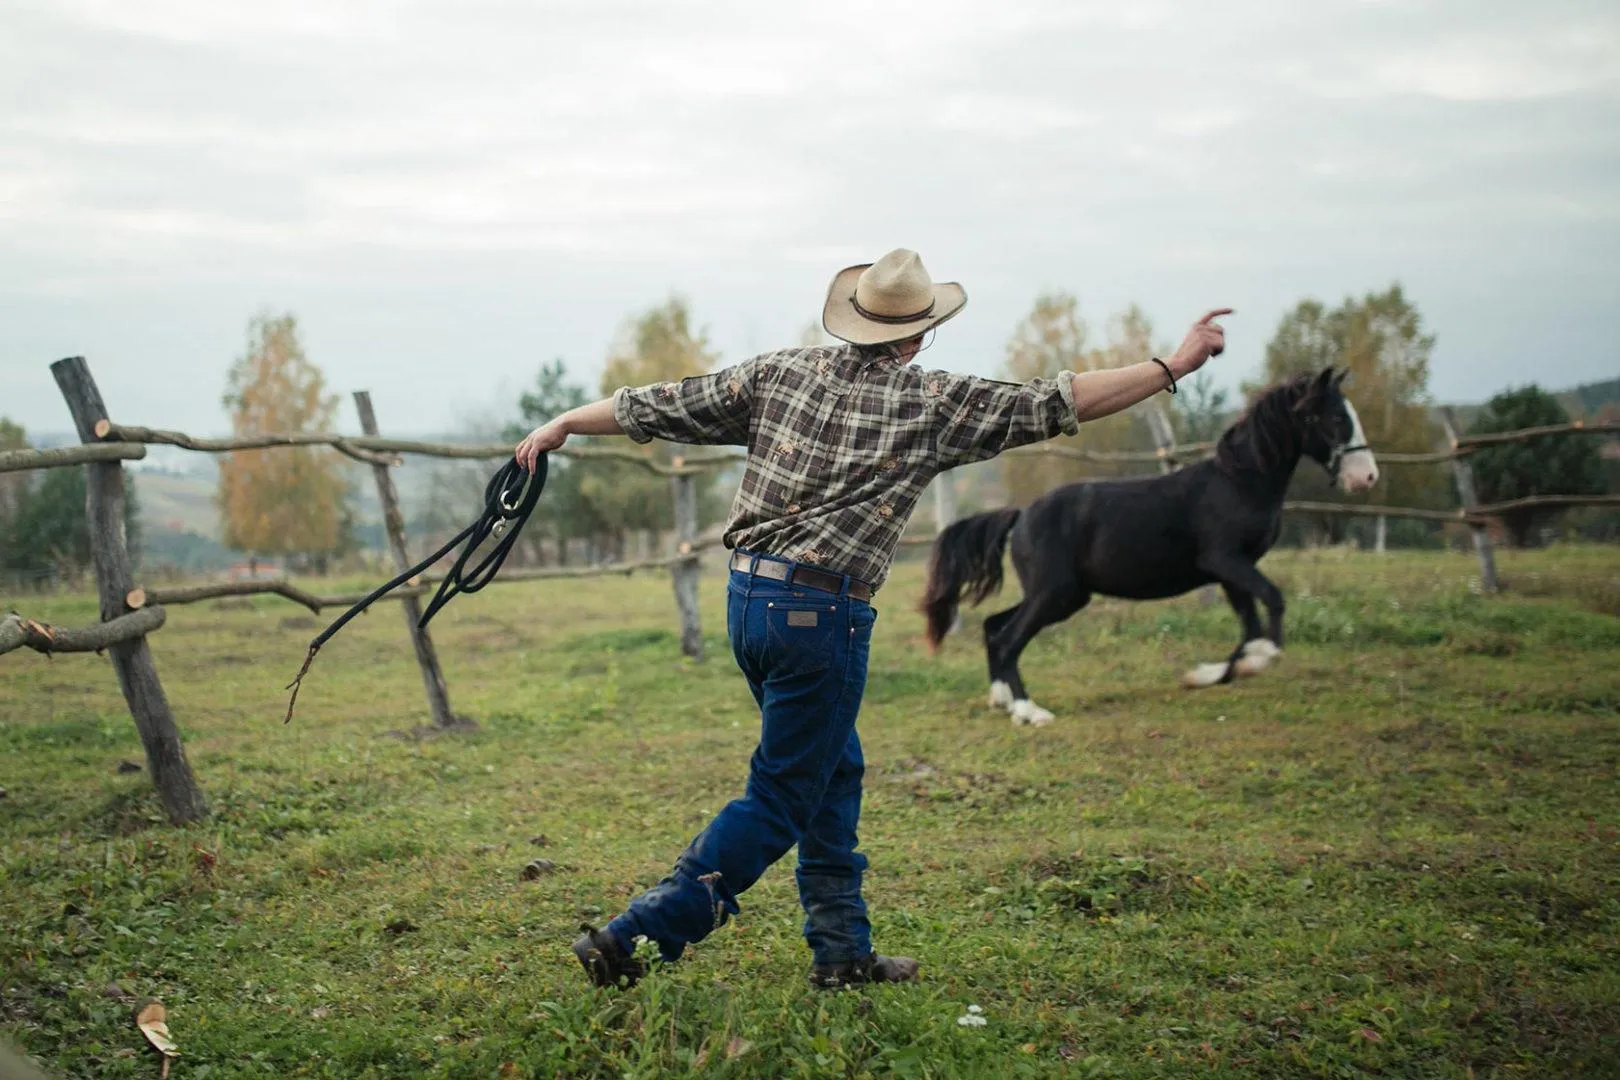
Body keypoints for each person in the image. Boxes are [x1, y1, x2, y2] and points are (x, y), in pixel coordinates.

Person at [515, 249, 1229, 989]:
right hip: (820, 615)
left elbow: (657, 404)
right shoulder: (933, 402)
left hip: (749, 605)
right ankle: (633, 937)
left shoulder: (776, 374)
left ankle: (842, 952)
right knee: (784, 793)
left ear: (851, 321)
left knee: (831, 768)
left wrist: (566, 420)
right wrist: (1173, 366)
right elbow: (1061, 400)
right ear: (919, 335)